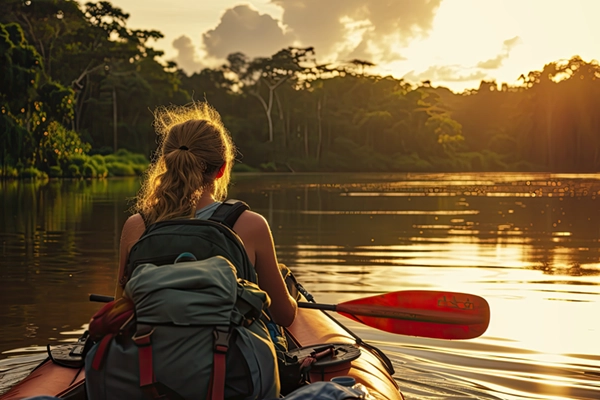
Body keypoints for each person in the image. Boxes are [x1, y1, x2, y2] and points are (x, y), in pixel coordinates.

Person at [114, 101, 297, 327]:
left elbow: (120, 310)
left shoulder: (137, 225)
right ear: (221, 170)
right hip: (224, 357)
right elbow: (284, 316)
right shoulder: (250, 225)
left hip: (148, 354)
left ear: (166, 163)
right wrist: (292, 296)